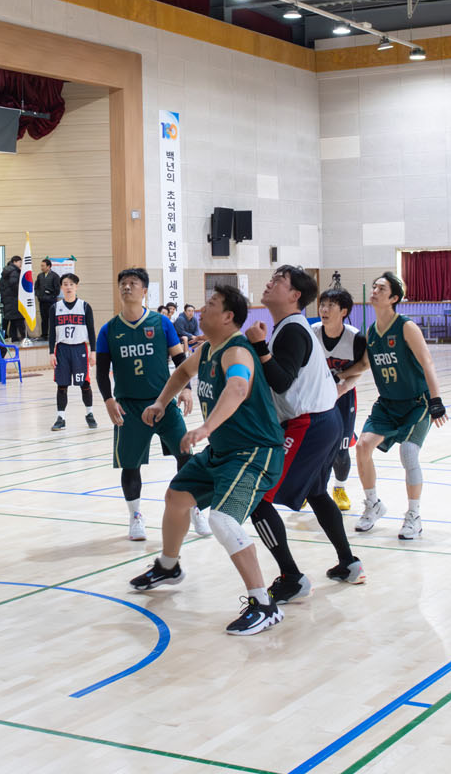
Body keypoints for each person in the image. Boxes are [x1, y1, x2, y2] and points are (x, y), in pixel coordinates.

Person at [127, 285, 286, 636]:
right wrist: (160, 402)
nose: (202, 307)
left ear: (228, 316)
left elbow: (238, 388)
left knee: (223, 520)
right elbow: (182, 373)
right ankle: (169, 566)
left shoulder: (236, 351)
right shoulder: (208, 349)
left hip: (255, 452)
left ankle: (264, 604)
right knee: (176, 497)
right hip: (224, 452)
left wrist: (205, 427)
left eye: (211, 304)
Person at [245, 265, 363, 599]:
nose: (269, 283)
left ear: (295, 295)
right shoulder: (290, 327)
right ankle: (349, 563)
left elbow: (282, 381)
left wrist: (259, 347)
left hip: (308, 424)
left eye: (278, 281)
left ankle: (292, 578)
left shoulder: (293, 330)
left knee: (257, 498)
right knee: (317, 492)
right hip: (323, 421)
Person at [96, 267, 209, 542]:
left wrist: (186, 389)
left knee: (186, 455)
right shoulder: (109, 330)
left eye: (133, 283)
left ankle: (193, 508)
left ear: (144, 290)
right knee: (130, 465)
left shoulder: (162, 324)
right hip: (129, 406)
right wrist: (108, 400)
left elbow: (181, 361)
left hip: (163, 402)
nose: (127, 287)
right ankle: (135, 516)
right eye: (123, 283)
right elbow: (100, 371)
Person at [340, 273, 448, 540]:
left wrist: (436, 400)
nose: (375, 290)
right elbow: (364, 365)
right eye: (374, 286)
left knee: (408, 453)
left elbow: (427, 361)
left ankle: (414, 516)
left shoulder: (406, 326)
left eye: (381, 288)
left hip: (416, 403)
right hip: (388, 404)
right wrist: (338, 375)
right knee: (362, 446)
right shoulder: (372, 332)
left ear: (394, 297)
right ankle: (373, 504)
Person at [317, 287, 365, 511]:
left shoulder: (355, 338)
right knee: (313, 446)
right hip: (316, 397)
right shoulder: (311, 333)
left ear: (343, 311)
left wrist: (342, 387)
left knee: (341, 450)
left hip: (343, 396)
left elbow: (361, 368)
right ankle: (311, 487)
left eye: (330, 306)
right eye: (322, 305)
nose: (324, 310)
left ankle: (339, 488)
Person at [49, 272, 96, 432]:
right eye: (65, 284)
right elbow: (51, 333)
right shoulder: (55, 308)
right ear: (61, 287)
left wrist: (93, 351)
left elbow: (91, 331)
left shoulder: (84, 306)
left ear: (76, 287)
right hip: (62, 349)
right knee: (62, 384)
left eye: (71, 284)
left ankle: (89, 414)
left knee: (85, 383)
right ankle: (60, 418)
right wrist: (51, 352)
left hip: (79, 348)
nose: (68, 287)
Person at [0, 255, 24, 343]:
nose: (21, 264)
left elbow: (1, 286)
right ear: (15, 262)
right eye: (20, 262)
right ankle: (23, 338)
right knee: (19, 319)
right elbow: (14, 284)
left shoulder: (5, 273)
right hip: (14, 300)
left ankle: (14, 338)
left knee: (12, 320)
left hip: (8, 300)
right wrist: (22, 290)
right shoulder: (14, 272)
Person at [34, 257, 60, 344]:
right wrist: (39, 295)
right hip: (42, 301)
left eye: (43, 266)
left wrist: (51, 296)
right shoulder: (40, 276)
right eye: (41, 266)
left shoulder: (55, 276)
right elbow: (36, 287)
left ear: (49, 266)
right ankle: (44, 335)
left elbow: (57, 290)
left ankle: (53, 335)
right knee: (44, 319)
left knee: (52, 319)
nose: (41, 267)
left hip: (51, 302)